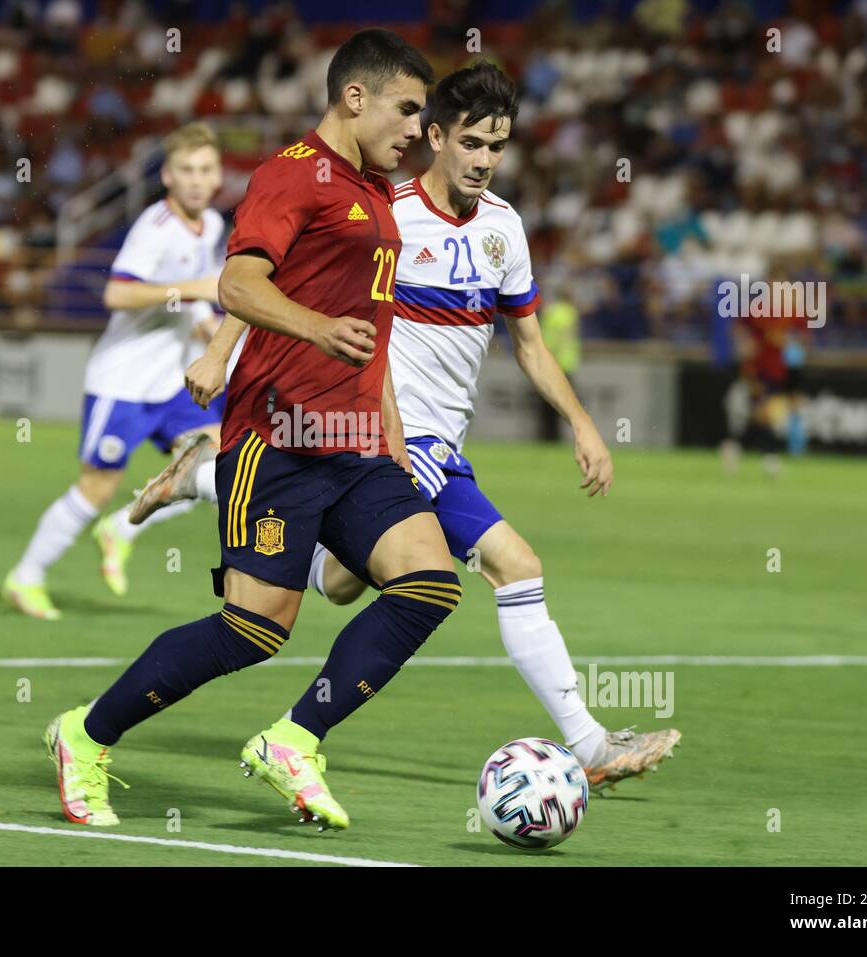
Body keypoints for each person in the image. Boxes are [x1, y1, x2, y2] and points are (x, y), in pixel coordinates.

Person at [139, 62, 680, 792]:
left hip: (436, 445)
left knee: (338, 586)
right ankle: (585, 742)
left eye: (499, 145)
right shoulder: (383, 209)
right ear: (434, 135)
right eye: (472, 142)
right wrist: (216, 348)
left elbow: (527, 342)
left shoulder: (504, 230)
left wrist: (583, 424)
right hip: (386, 431)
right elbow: (268, 273)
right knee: (511, 566)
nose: (486, 159)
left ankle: (207, 475)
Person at [43, 29, 455, 831]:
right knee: (254, 629)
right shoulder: (290, 175)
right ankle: (85, 735)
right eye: (408, 110)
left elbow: (373, 329)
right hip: (278, 442)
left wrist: (391, 427)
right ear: (355, 97)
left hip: (358, 444)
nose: (417, 129)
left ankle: (296, 737)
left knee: (430, 582)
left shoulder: (375, 193)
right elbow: (238, 280)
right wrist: (313, 329)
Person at [1, 122, 226, 619]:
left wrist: (217, 341)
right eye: (185, 170)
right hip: (122, 382)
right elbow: (117, 294)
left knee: (220, 461)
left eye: (205, 170)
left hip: (172, 381)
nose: (195, 179)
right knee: (96, 486)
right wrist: (195, 289)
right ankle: (26, 576)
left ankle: (123, 527)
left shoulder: (209, 226)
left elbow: (200, 303)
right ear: (166, 176)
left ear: (217, 178)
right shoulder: (153, 229)